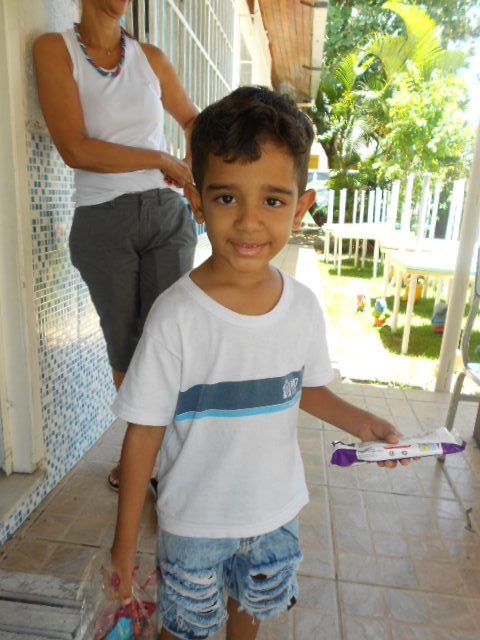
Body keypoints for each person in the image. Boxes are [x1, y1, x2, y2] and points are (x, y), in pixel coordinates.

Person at [110, 86, 409, 640]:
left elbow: (303, 387)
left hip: (274, 516)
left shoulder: (302, 307)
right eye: (227, 198)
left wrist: (364, 424)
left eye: (272, 201)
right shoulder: (176, 316)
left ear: (301, 207)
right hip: (193, 524)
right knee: (183, 629)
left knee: (248, 619)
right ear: (197, 202)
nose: (249, 222)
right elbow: (144, 433)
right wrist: (124, 543)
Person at [33, 0, 198, 490]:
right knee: (127, 348)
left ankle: (161, 458)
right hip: (104, 221)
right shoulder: (55, 50)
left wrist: (193, 179)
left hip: (166, 216)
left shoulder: (150, 58)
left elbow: (193, 121)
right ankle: (144, 457)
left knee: (170, 341)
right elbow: (74, 149)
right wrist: (160, 160)